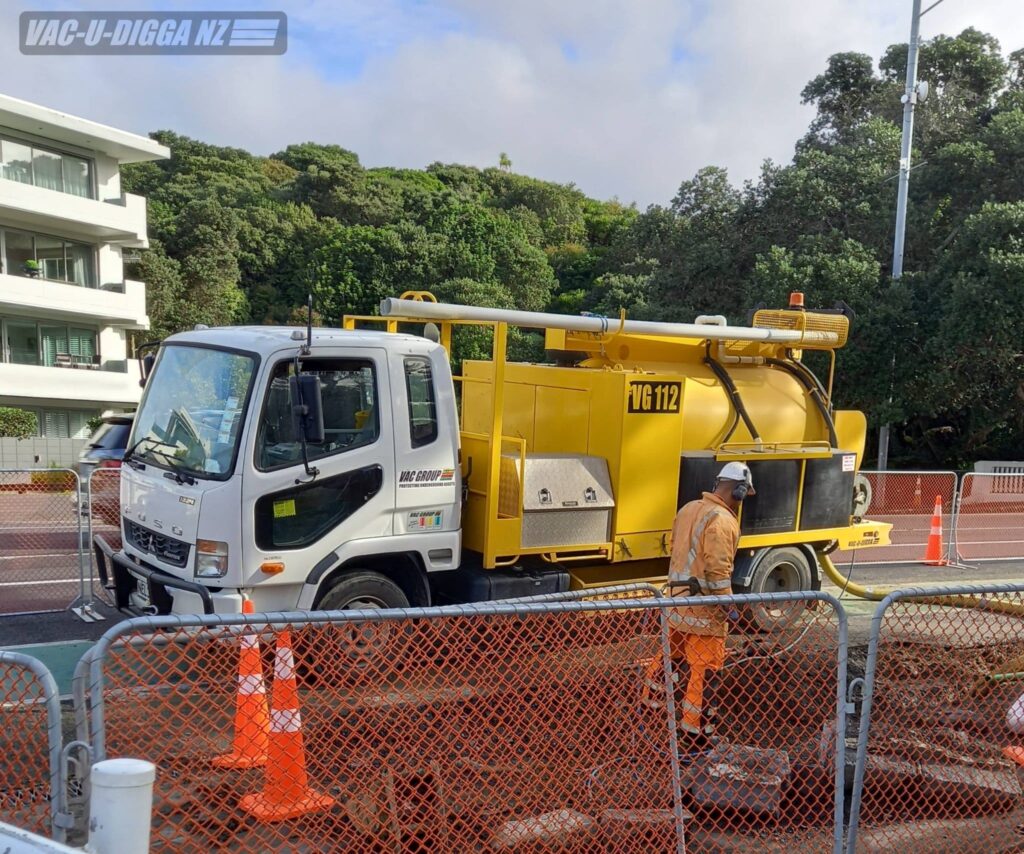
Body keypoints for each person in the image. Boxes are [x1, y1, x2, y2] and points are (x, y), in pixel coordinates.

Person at [645, 462, 754, 748]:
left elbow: (679, 553)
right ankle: (696, 733)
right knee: (705, 672)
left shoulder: (688, 509)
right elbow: (717, 572)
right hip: (706, 614)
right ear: (739, 491)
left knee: (670, 658)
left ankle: (650, 710)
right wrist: (729, 607)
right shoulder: (723, 520)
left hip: (677, 604)